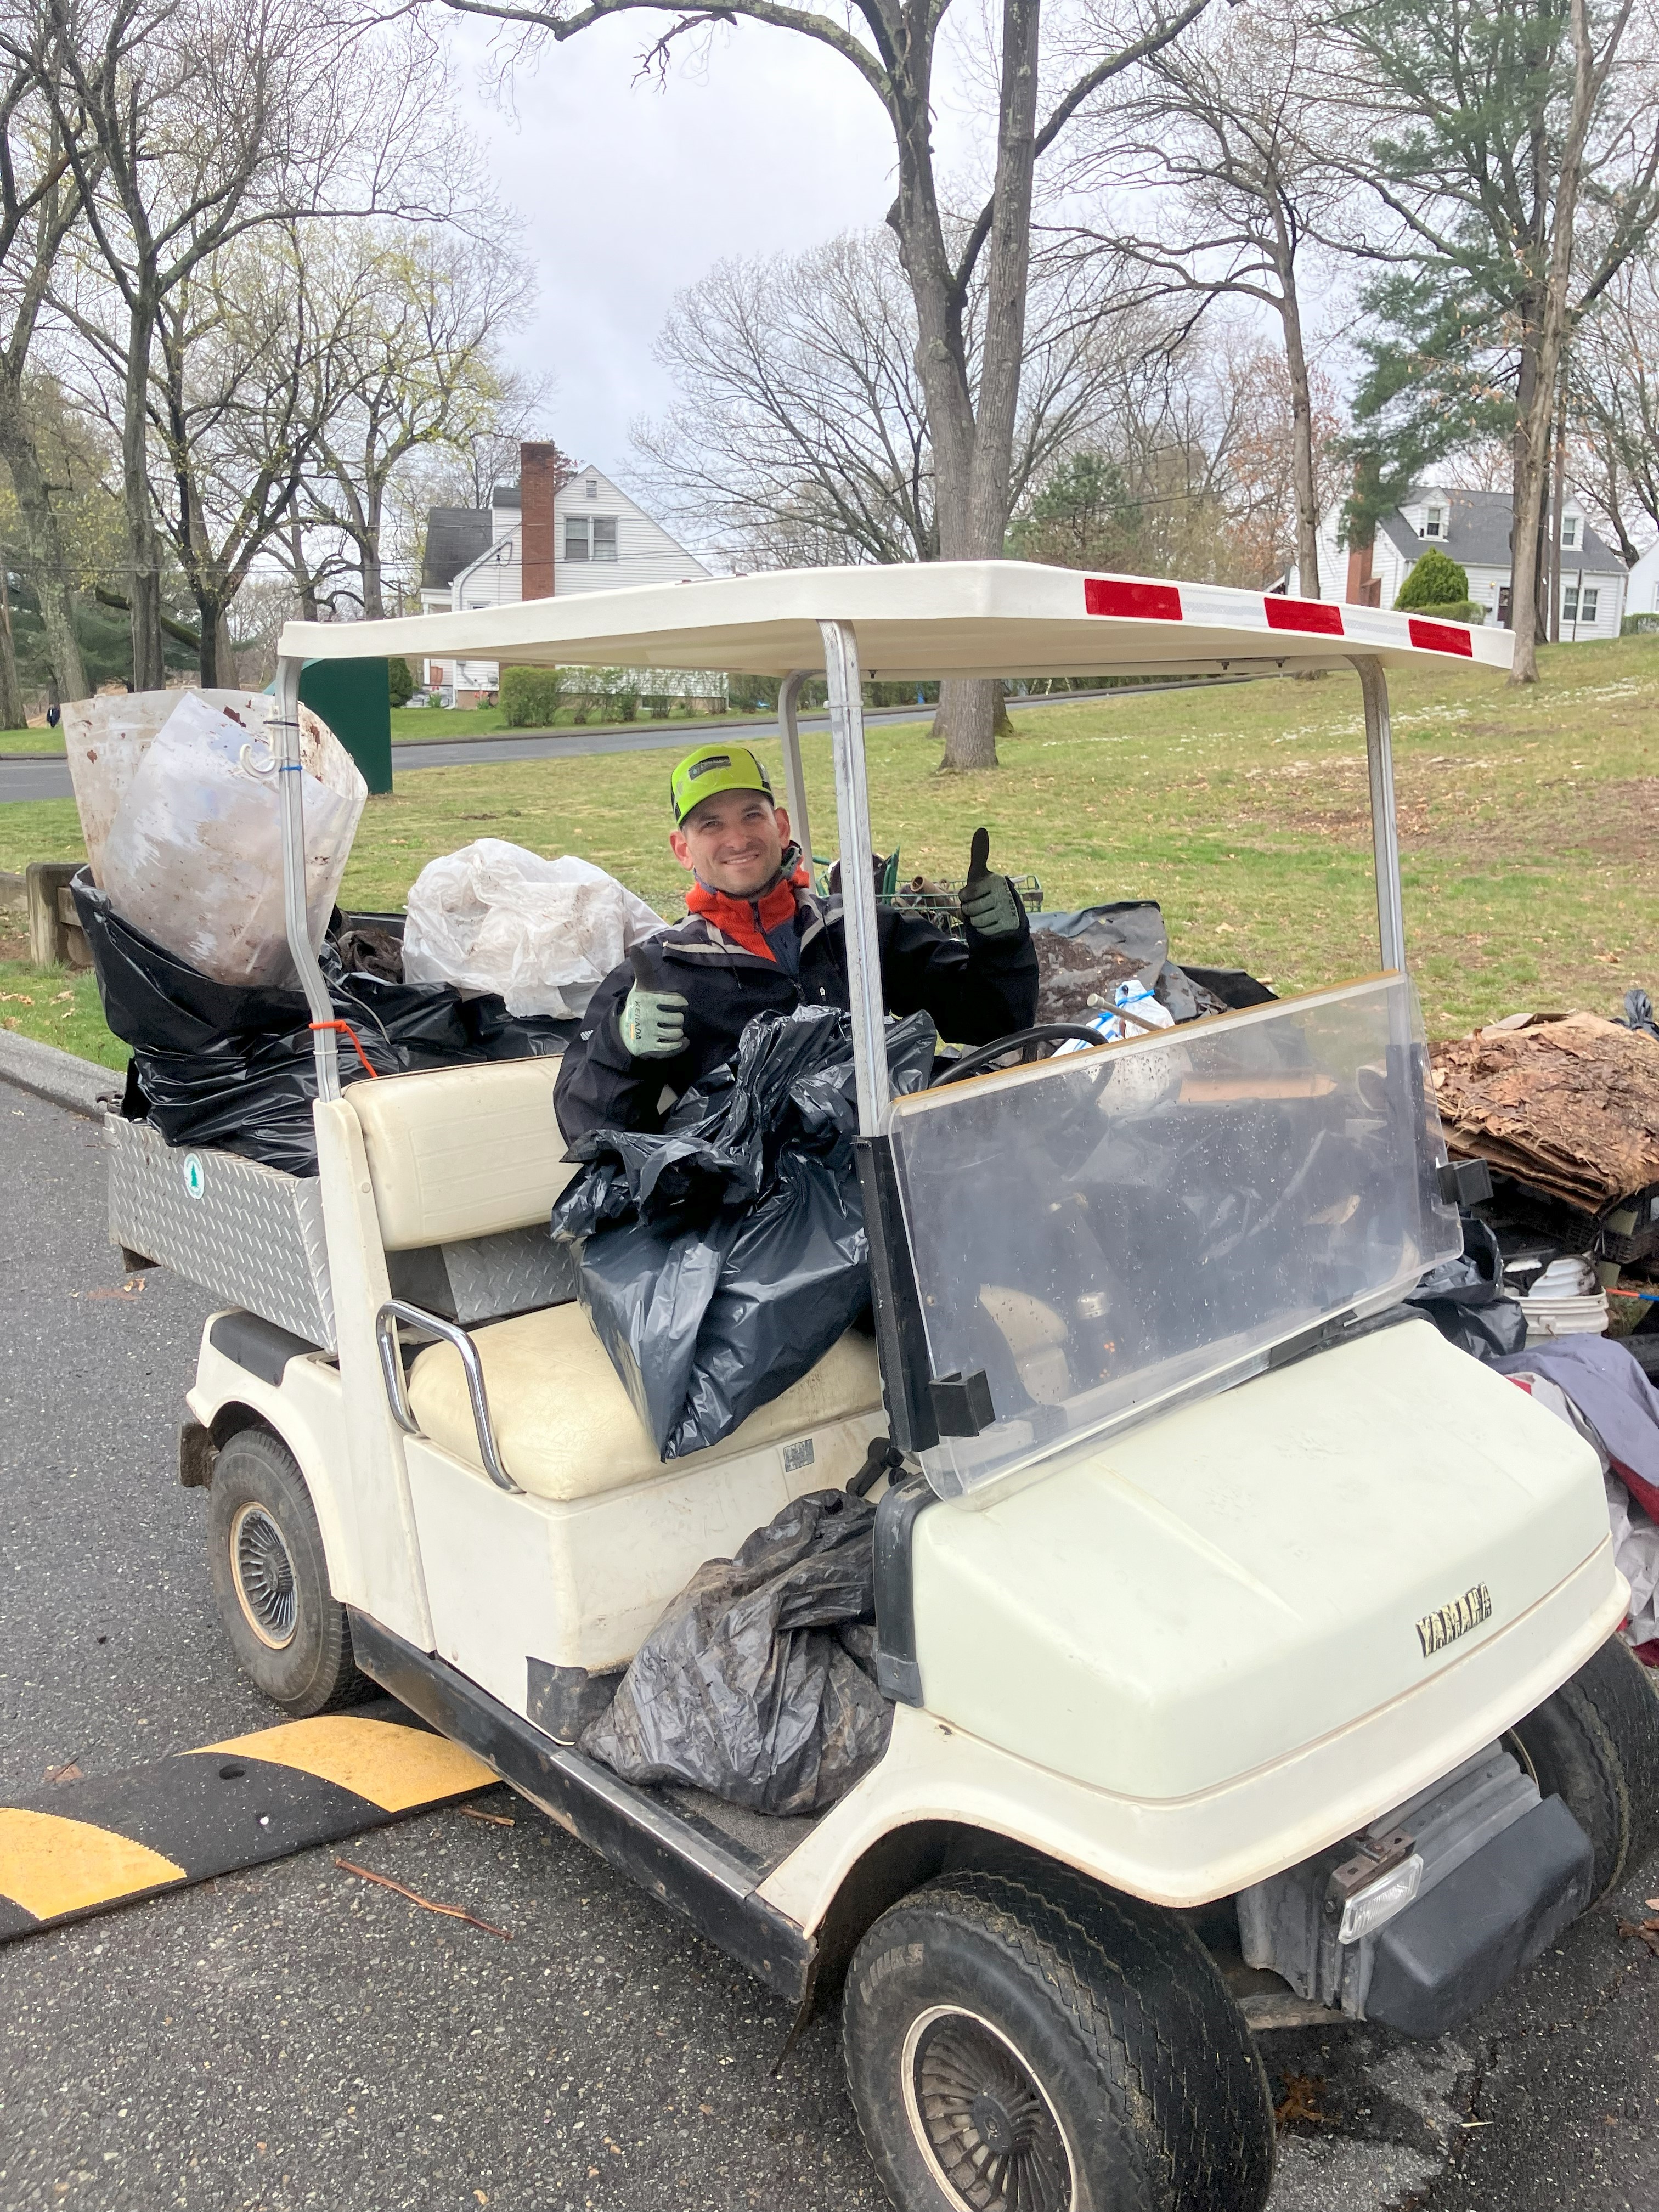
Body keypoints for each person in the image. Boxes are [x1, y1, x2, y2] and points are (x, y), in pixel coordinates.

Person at [554, 741, 1039, 1142]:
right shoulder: (660, 973)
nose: (738, 838)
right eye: (711, 825)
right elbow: (588, 1130)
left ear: (780, 826)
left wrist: (1001, 944)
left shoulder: (857, 931)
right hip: (763, 1226)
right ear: (683, 849)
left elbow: (994, 1018)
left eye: (751, 816)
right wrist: (621, 1048)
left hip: (895, 1174)